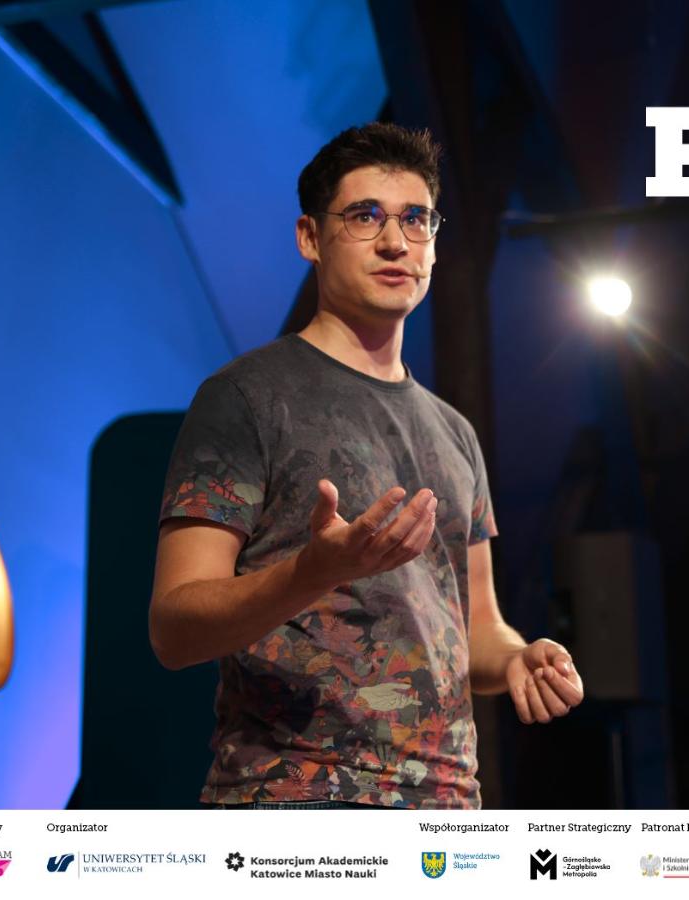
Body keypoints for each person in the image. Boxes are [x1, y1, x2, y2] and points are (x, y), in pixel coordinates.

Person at [149, 122, 584, 809]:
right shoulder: (245, 398)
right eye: (364, 217)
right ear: (310, 237)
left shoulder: (455, 433)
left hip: (446, 814)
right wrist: (310, 573)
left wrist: (517, 657)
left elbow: (476, 627)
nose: (395, 242)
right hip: (294, 806)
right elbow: (174, 629)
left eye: (416, 219)